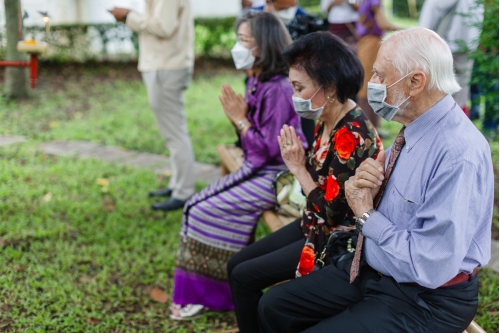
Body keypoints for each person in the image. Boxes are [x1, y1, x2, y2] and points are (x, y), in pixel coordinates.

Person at [257, 27, 493, 333]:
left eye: (380, 75)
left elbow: (428, 265)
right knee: (274, 306)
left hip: (425, 297)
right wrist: (370, 189)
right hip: (376, 267)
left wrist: (366, 213)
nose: (372, 84)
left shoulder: (457, 153)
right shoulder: (415, 126)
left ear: (415, 82)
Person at [227, 32, 382, 333]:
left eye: (299, 88)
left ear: (329, 87)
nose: (294, 96)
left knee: (247, 280)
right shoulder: (327, 117)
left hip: (335, 239)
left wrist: (298, 168)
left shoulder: (351, 134)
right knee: (237, 267)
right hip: (311, 222)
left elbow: (332, 214)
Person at [169, 12, 306, 320]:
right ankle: (203, 291)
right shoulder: (257, 79)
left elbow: (267, 149)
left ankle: (210, 295)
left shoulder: (279, 88)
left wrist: (240, 118)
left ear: (265, 45)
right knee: (194, 206)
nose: (238, 46)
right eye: (239, 39)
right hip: (261, 166)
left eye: (245, 41)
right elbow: (251, 143)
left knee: (201, 209)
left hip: (278, 175)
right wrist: (241, 120)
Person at [108, 0, 196, 211]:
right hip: (166, 65)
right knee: (173, 132)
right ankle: (177, 184)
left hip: (165, 66)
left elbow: (162, 27)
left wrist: (128, 16)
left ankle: (183, 191)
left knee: (174, 133)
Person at [419, 0, 484, 116]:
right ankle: (456, 124)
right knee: (460, 95)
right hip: (466, 50)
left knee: (436, 93)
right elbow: (478, 23)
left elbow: (425, 25)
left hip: (439, 50)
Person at [356, 0, 399, 137]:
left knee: (367, 88)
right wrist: (409, 31)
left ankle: (371, 129)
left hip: (364, 43)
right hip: (372, 44)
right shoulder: (374, 1)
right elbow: (383, 24)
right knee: (371, 88)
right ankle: (370, 130)